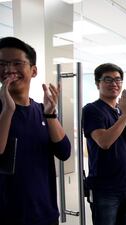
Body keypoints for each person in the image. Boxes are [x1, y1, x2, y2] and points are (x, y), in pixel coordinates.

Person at [0, 37, 71, 225]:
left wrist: (50, 115)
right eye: (2, 64)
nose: (9, 70)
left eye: (17, 63)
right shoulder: (1, 111)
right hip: (8, 216)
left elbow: (64, 152)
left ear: (33, 71)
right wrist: (7, 111)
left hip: (45, 213)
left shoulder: (41, 110)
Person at [82, 63, 126, 225]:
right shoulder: (92, 110)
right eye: (108, 80)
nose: (114, 84)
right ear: (97, 83)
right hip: (105, 188)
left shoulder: (122, 109)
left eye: (118, 80)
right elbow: (104, 142)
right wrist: (125, 115)